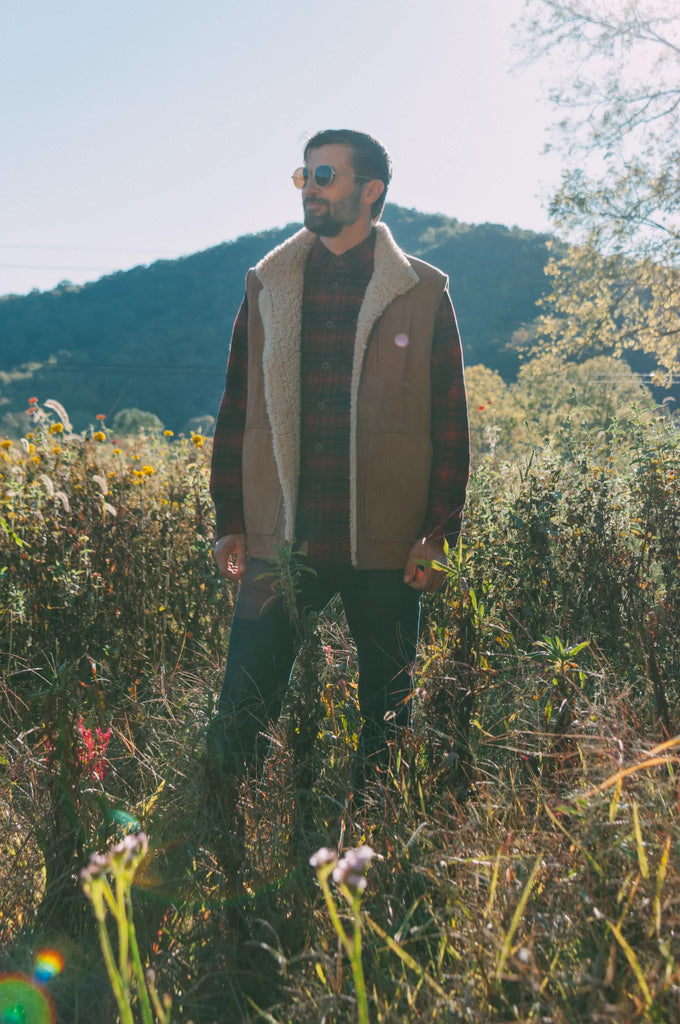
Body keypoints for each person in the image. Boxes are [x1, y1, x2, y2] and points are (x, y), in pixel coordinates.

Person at [208, 128, 469, 807]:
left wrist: (439, 534)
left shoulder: (424, 291)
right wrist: (230, 518)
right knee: (241, 705)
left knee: (388, 715)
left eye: (324, 174)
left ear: (370, 190)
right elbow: (236, 407)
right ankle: (212, 840)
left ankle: (374, 852)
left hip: (387, 544)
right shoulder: (267, 285)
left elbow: (450, 425)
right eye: (304, 176)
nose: (309, 188)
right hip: (280, 536)